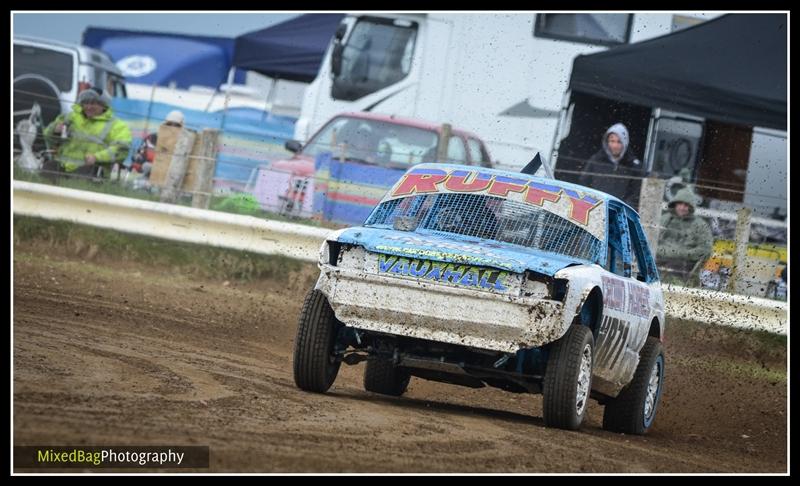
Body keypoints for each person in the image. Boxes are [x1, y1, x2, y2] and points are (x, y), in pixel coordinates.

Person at [43, 86, 132, 180]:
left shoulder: (117, 125)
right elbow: (46, 137)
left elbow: (121, 150)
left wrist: (96, 157)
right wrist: (54, 130)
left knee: (85, 176)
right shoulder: (70, 117)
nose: (88, 107)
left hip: (92, 171)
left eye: (93, 103)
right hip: (61, 168)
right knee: (48, 167)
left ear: (104, 105)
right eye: (86, 103)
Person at [578, 122, 646, 208]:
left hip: (619, 212)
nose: (615, 145)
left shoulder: (633, 165)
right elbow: (584, 182)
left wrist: (624, 206)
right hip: (595, 207)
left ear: (625, 143)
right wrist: (590, 201)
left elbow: (636, 192)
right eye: (612, 141)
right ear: (607, 142)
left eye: (619, 142)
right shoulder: (596, 160)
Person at [656, 187, 714, 282]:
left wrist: (683, 254)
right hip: (658, 259)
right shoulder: (664, 219)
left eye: (686, 205)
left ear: (691, 207)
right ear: (675, 204)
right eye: (680, 204)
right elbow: (649, 239)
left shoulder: (700, 225)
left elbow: (706, 249)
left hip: (684, 265)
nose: (682, 208)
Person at [131, 110, 185, 178]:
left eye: (176, 126)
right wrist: (138, 158)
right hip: (150, 171)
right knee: (146, 166)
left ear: (181, 127)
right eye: (169, 124)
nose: (172, 127)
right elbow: (140, 155)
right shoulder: (151, 138)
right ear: (164, 124)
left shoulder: (183, 142)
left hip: (171, 174)